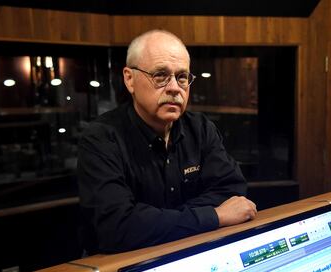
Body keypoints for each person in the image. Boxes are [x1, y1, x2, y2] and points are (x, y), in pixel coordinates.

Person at [77, 29, 257, 254]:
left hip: (193, 255)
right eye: (160, 75)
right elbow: (117, 228)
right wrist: (214, 216)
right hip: (122, 268)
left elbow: (233, 192)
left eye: (182, 77)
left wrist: (156, 222)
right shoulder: (101, 138)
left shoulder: (200, 128)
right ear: (129, 79)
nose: (174, 88)